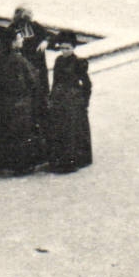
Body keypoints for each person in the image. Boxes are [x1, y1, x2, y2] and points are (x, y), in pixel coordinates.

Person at [0, 27, 48, 177]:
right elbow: (34, 81)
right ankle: (21, 166)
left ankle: (0, 165)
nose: (23, 40)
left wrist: (1, 92)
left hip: (0, 103)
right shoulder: (19, 60)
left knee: (2, 134)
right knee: (22, 134)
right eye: (19, 38)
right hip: (21, 104)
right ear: (12, 43)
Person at [44, 30, 93, 173]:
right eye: (62, 48)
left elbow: (87, 84)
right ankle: (57, 159)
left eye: (67, 48)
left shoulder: (79, 62)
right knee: (58, 128)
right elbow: (55, 81)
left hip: (73, 99)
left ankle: (73, 159)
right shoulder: (58, 61)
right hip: (59, 97)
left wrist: (84, 101)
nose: (64, 51)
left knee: (71, 129)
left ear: (73, 48)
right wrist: (51, 97)